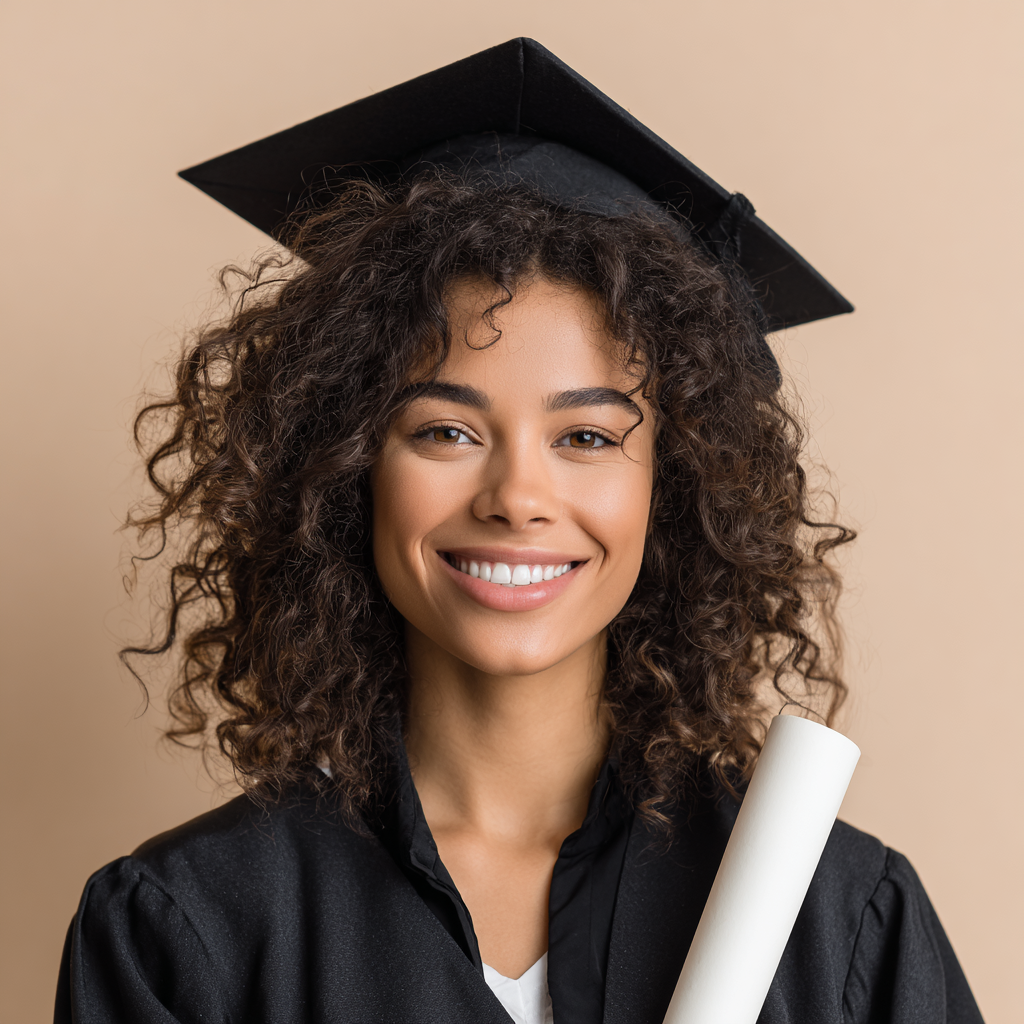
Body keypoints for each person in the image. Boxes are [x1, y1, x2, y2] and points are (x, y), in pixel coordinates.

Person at [55, 39, 984, 1024]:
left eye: (586, 434)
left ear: (669, 487)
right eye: (446, 430)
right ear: (345, 466)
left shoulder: (838, 921)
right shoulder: (193, 931)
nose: (517, 494)